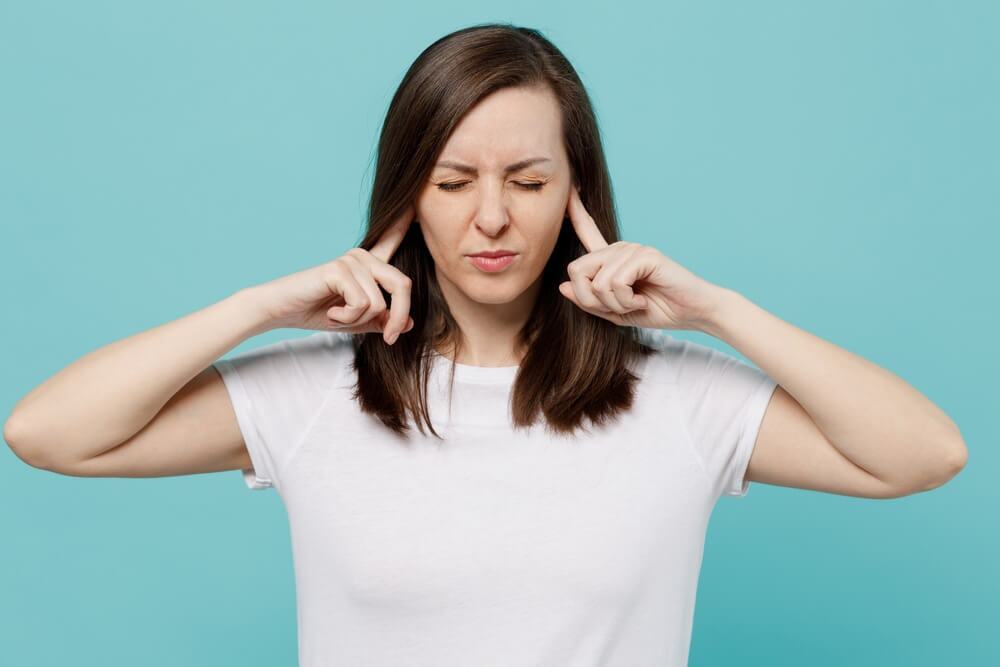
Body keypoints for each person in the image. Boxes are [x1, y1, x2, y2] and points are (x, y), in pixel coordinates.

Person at [4, 22, 966, 667]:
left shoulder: (680, 397)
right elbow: (49, 433)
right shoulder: (312, 395)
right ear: (407, 194)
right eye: (454, 180)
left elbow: (926, 454)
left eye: (529, 179)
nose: (492, 217)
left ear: (578, 195)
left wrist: (714, 310)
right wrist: (260, 307)